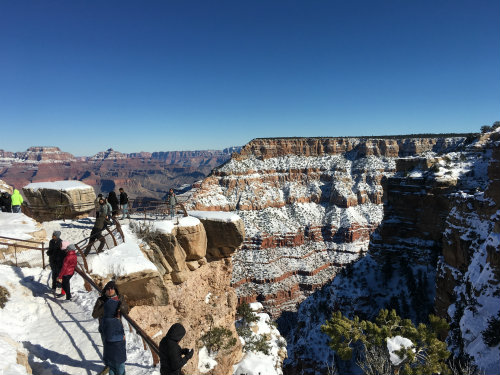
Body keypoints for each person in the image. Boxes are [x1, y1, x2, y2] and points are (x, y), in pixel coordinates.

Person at [93, 280, 129, 375]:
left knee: (118, 350)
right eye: (108, 289)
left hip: (117, 329)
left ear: (115, 289)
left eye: (112, 288)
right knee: (107, 348)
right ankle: (108, 365)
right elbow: (94, 314)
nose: (110, 290)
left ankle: (116, 368)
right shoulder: (101, 300)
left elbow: (126, 310)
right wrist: (106, 306)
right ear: (105, 290)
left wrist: (120, 306)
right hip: (104, 328)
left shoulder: (120, 298)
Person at [100, 298, 127, 375]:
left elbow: (101, 330)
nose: (118, 311)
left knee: (112, 369)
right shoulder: (114, 322)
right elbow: (113, 337)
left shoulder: (104, 320)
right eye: (117, 310)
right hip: (118, 354)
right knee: (120, 371)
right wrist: (122, 337)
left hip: (109, 353)